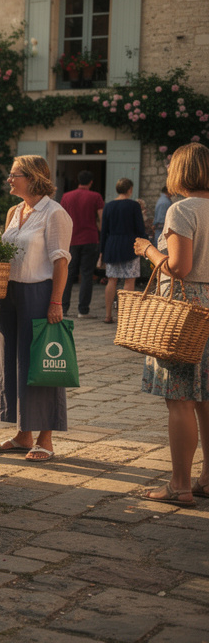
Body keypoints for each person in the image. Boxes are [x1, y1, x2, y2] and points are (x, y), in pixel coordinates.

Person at [135, 143, 209, 505]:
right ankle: (207, 478)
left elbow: (179, 268)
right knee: (206, 397)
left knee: (180, 398)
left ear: (180, 172)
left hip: (185, 308)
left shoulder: (182, 210)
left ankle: (179, 485)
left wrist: (148, 250)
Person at [0, 155, 72, 463]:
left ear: (33, 177)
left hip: (39, 293)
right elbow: (4, 258)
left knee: (41, 364)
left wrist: (56, 301)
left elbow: (60, 261)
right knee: (11, 362)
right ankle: (23, 434)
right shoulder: (14, 211)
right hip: (10, 293)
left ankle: (45, 438)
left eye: (14, 174)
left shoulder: (55, 213)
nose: (9, 179)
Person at [99, 177, 147, 324]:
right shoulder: (133, 206)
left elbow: (104, 230)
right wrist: (145, 243)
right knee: (129, 280)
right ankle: (125, 316)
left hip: (112, 245)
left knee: (111, 281)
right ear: (129, 189)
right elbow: (140, 228)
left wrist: (102, 250)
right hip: (130, 245)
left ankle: (108, 315)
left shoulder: (109, 206)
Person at [60, 170, 104, 318]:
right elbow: (101, 219)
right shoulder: (95, 196)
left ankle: (63, 308)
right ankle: (83, 310)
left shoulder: (66, 197)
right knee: (86, 275)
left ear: (77, 180)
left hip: (71, 239)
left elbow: (61, 219)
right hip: (90, 238)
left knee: (68, 273)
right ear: (91, 182)